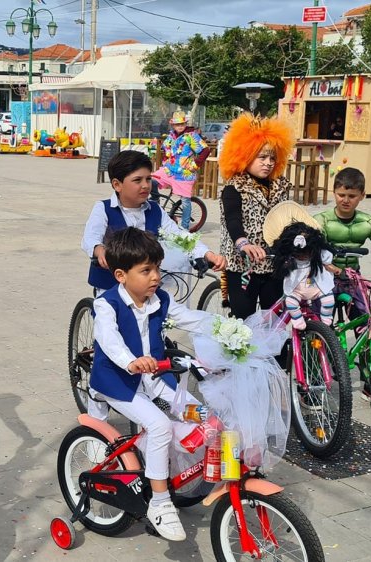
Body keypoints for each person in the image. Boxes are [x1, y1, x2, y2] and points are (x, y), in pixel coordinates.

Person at [88, 227, 214, 542]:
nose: (155, 276)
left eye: (157, 268)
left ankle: (157, 455)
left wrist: (227, 329)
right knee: (159, 425)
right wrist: (130, 360)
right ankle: (159, 503)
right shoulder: (107, 305)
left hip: (156, 382)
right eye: (146, 270)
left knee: (204, 416)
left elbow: (193, 319)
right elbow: (109, 339)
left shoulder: (160, 300)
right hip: (119, 383)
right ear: (121, 275)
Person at [82, 150, 225, 294]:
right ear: (117, 184)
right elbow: (91, 237)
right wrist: (99, 250)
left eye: (148, 179)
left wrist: (205, 253)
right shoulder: (104, 209)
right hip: (111, 286)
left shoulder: (155, 210)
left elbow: (179, 235)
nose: (145, 185)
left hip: (146, 287)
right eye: (137, 180)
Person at [218, 113, 295, 320]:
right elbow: (232, 220)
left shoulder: (281, 186)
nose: (268, 163)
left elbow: (290, 217)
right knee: (244, 320)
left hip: (273, 261)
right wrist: (243, 243)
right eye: (261, 157)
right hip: (242, 263)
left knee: (275, 319)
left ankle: (275, 354)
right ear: (245, 156)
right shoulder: (234, 187)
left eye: (272, 158)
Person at [151, 110, 210, 230]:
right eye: (177, 124)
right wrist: (164, 161)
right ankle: (155, 205)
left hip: (184, 174)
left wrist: (196, 164)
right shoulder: (171, 136)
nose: (180, 126)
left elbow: (205, 150)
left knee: (185, 201)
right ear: (173, 125)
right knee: (150, 180)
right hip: (169, 170)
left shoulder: (191, 136)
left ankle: (184, 228)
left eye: (182, 124)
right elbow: (165, 149)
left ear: (185, 124)